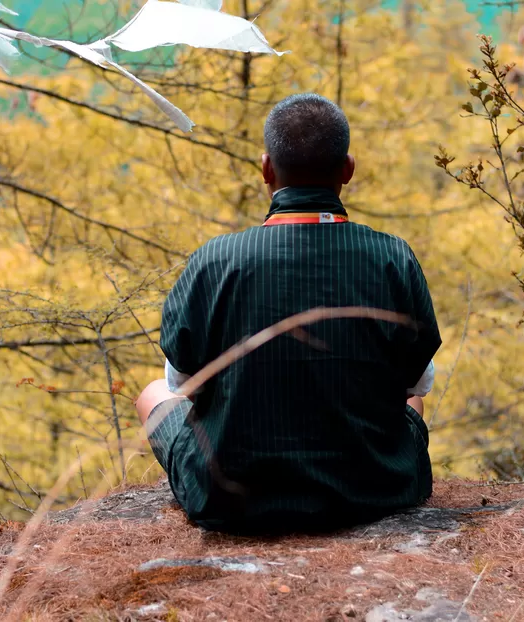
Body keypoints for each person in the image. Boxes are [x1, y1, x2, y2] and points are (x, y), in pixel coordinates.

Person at [135, 93, 441, 534]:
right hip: (374, 487)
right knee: (412, 400)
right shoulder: (393, 257)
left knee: (152, 393)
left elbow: (181, 383)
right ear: (347, 169)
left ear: (266, 169)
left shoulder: (215, 260)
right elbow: (417, 383)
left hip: (232, 498)